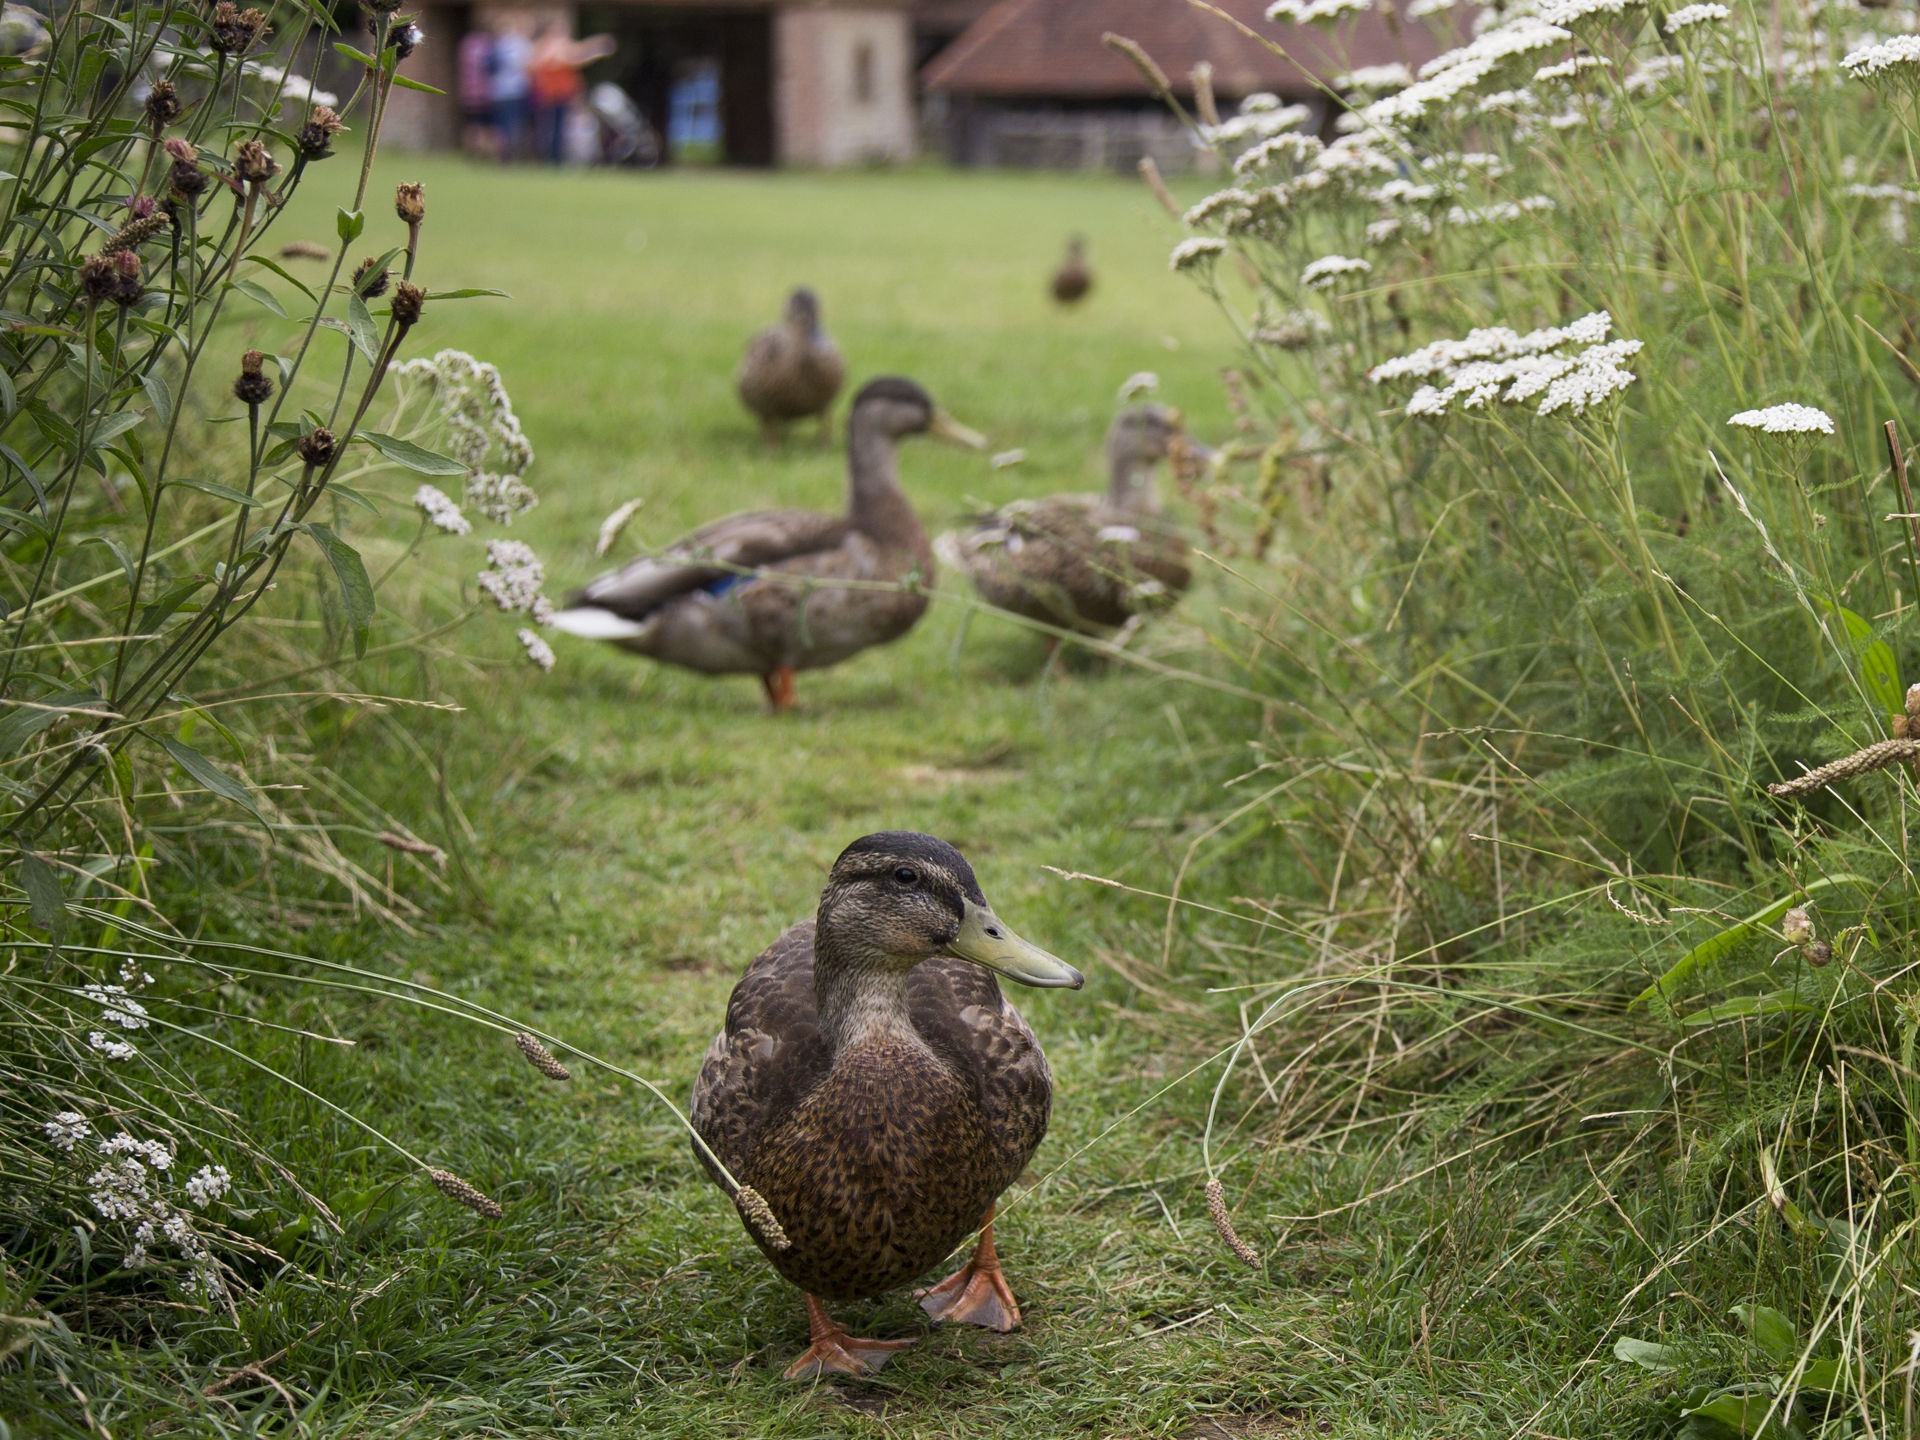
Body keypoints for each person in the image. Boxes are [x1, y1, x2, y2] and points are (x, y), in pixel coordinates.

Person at [528, 22, 616, 165]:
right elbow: (535, 65)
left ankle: (556, 159)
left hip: (563, 94)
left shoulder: (562, 46)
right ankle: (548, 159)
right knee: (548, 128)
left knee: (559, 128)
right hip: (549, 95)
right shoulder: (544, 47)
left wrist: (597, 47)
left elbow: (578, 55)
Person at [488, 15, 534, 161]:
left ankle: (505, 154)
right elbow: (528, 65)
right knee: (511, 124)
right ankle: (510, 155)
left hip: (499, 91)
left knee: (503, 125)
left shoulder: (496, 45)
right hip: (514, 91)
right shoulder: (519, 44)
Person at [456, 21, 498, 159]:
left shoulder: (466, 45)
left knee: (471, 124)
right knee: (487, 126)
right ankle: (485, 154)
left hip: (468, 93)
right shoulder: (488, 46)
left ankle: (471, 152)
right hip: (485, 93)